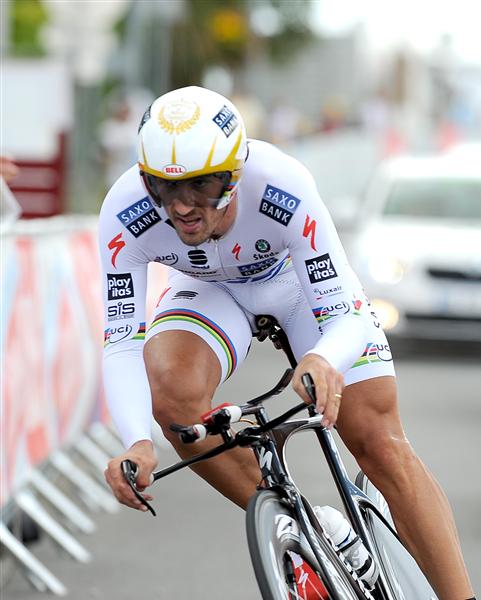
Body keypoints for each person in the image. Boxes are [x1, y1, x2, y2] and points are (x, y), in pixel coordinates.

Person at [100, 86, 474, 600]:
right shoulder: (124, 210)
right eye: (163, 189)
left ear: (233, 176)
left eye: (201, 187)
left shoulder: (283, 185)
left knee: (378, 444)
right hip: (208, 290)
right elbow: (123, 338)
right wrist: (136, 438)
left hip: (298, 286)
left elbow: (345, 313)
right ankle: (316, 530)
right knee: (172, 394)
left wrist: (322, 359)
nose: (182, 206)